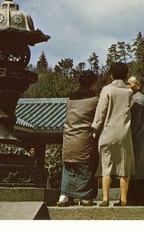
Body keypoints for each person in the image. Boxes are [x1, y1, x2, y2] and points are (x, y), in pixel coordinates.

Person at [92, 62, 134, 207]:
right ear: (125, 75)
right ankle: (123, 199)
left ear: (111, 74)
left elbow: (101, 111)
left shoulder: (107, 90)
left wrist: (95, 128)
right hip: (124, 132)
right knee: (124, 167)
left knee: (106, 166)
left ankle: (105, 198)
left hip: (108, 132)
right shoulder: (129, 92)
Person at [57, 70, 100, 207]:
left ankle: (64, 196)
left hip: (68, 139)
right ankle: (85, 198)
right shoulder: (95, 101)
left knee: (69, 167)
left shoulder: (70, 99)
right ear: (93, 85)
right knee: (86, 168)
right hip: (84, 140)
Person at [127, 75, 144, 206]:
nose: (127, 86)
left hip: (136, 140)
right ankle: (139, 199)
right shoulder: (141, 99)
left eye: (129, 84)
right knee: (138, 170)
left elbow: (134, 123)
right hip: (140, 139)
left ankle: (133, 199)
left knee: (134, 170)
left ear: (138, 85)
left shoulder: (138, 101)